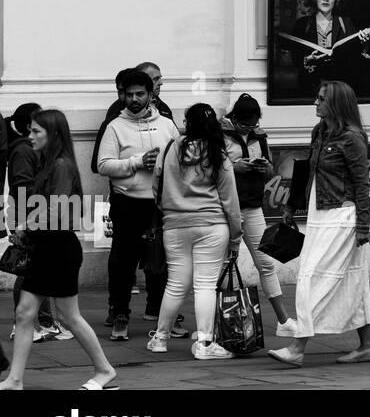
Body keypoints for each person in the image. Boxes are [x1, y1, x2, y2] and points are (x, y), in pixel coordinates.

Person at [0, 110, 118, 390]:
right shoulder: (49, 163)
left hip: (58, 249)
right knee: (25, 313)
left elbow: (56, 209)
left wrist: (23, 227)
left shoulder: (61, 165)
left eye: (36, 131)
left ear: (53, 134)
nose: (30, 136)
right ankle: (15, 379)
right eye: (30, 131)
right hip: (47, 247)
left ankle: (104, 370)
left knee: (69, 316)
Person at [270, 81, 370, 367]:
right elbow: (308, 172)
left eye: (321, 99)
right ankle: (367, 345)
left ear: (336, 104)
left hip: (342, 218)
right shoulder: (319, 131)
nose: (315, 103)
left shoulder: (352, 138)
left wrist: (363, 227)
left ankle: (298, 346)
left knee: (312, 278)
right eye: (316, 97)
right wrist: (292, 205)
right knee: (351, 282)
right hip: (319, 215)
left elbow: (361, 184)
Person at [149, 103, 243, 359]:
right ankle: (204, 344)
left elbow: (157, 184)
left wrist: (168, 208)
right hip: (212, 225)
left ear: (186, 122)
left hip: (175, 224)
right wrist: (236, 236)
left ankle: (160, 338)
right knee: (204, 286)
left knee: (176, 284)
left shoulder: (170, 148)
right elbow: (230, 200)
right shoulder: (219, 154)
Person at [97, 68, 180, 342]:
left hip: (160, 203)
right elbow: (102, 165)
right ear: (122, 95)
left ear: (150, 95)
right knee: (124, 262)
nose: (134, 99)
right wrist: (137, 162)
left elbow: (179, 157)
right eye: (129, 94)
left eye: (139, 94)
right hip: (127, 204)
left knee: (161, 260)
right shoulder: (115, 127)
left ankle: (162, 313)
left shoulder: (167, 125)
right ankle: (120, 314)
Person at [222, 94, 295, 335]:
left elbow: (270, 171)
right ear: (234, 118)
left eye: (253, 124)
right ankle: (218, 323)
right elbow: (210, 168)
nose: (249, 128)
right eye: (244, 125)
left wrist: (266, 168)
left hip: (253, 206)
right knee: (223, 266)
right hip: (225, 208)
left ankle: (283, 320)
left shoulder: (260, 136)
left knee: (265, 263)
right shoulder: (220, 134)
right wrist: (235, 167)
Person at [5, 103, 68, 342]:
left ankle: (42, 321)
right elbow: (22, 185)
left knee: (37, 271)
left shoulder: (39, 153)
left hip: (35, 215)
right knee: (29, 270)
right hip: (29, 215)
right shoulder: (24, 150)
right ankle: (23, 323)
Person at [290, 0, 370, 92]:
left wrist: (364, 44)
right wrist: (307, 59)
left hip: (339, 88)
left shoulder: (346, 23)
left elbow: (356, 59)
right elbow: (295, 58)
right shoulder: (302, 24)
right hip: (310, 87)